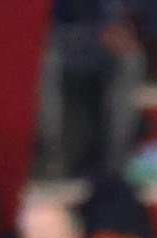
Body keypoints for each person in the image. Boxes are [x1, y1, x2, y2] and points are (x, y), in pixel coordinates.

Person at [42, 0, 143, 183]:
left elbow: (113, 15)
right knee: (46, 59)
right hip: (55, 37)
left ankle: (116, 165)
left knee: (131, 58)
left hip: (99, 39)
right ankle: (51, 157)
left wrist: (114, 28)